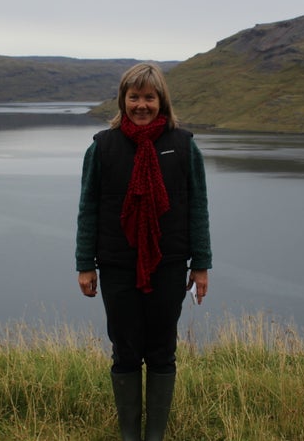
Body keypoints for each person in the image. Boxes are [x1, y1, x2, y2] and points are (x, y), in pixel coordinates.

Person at [76, 62, 211, 441]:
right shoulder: (103, 146)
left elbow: (198, 206)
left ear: (161, 100)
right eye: (133, 97)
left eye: (149, 97)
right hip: (117, 264)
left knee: (162, 349)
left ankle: (154, 435)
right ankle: (130, 435)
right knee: (125, 349)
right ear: (123, 100)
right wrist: (85, 264)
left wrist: (200, 264)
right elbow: (88, 207)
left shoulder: (184, 145)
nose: (141, 105)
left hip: (168, 264)